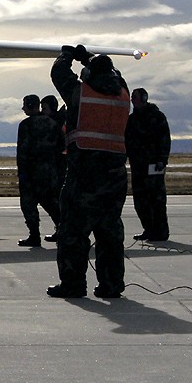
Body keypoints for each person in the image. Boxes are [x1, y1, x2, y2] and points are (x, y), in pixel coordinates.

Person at [47, 45, 130, 299]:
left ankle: (73, 284)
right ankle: (111, 285)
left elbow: (58, 73)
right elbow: (117, 75)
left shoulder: (80, 94)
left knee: (73, 233)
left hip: (84, 174)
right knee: (110, 233)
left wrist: (68, 56)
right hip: (115, 176)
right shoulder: (123, 95)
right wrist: (89, 58)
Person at [16, 94, 62, 247]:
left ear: (30, 104)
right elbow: (60, 147)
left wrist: (22, 173)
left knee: (28, 205)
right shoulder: (52, 124)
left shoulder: (25, 126)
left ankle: (34, 235)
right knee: (52, 204)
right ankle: (63, 230)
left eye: (24, 104)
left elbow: (22, 152)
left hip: (31, 173)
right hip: (50, 173)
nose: (23, 108)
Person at [126, 87, 171, 241]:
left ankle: (161, 231)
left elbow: (164, 140)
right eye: (132, 97)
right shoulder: (131, 120)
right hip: (138, 166)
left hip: (153, 166)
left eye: (135, 97)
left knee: (156, 200)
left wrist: (162, 160)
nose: (133, 100)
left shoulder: (157, 117)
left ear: (144, 98)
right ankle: (149, 229)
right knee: (140, 200)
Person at [40, 93, 68, 242]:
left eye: (44, 108)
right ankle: (61, 227)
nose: (42, 111)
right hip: (56, 165)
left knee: (52, 199)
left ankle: (62, 227)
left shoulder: (55, 124)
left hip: (57, 166)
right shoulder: (57, 121)